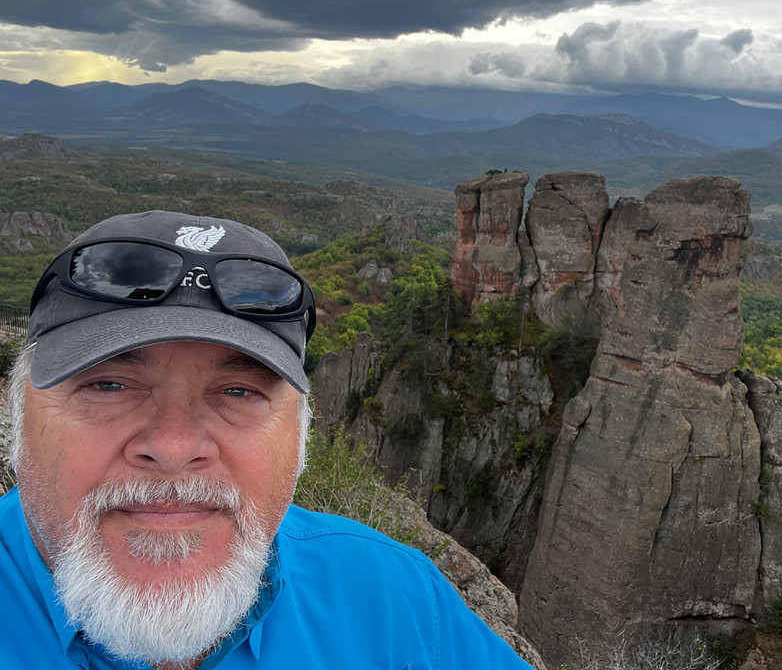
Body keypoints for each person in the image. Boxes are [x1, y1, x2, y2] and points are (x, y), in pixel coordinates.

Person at [0, 210, 535, 669]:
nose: (174, 445)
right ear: (17, 415)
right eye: (109, 385)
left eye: (237, 391)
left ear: (300, 436)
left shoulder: (394, 600)